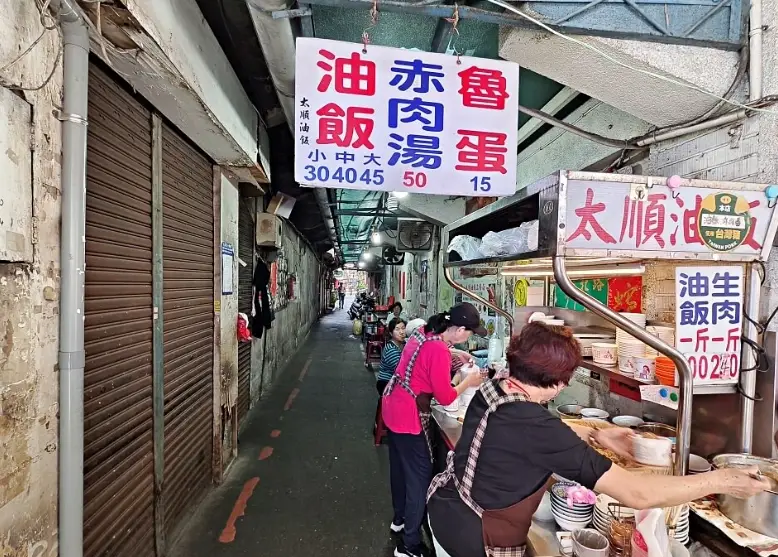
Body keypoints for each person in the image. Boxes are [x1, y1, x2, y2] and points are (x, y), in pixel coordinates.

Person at [427, 322, 770, 557]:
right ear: (560, 383)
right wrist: (723, 480)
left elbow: (531, 434)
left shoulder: (497, 386)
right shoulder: (535, 424)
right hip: (479, 536)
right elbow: (637, 493)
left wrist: (596, 433)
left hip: (449, 507)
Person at [382, 303, 486, 557]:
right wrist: (469, 381)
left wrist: (456, 352)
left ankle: (400, 520)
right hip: (409, 416)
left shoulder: (424, 332)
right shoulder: (438, 349)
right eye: (470, 333)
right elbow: (446, 397)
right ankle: (408, 545)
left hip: (392, 405)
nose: (469, 337)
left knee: (400, 469)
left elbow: (428, 352)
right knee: (419, 480)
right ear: (459, 330)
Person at [377, 319, 407, 394]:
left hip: (396, 380)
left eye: (403, 328)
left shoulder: (403, 344)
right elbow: (401, 370)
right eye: (397, 329)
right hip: (386, 382)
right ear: (391, 333)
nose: (401, 332)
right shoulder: (391, 349)